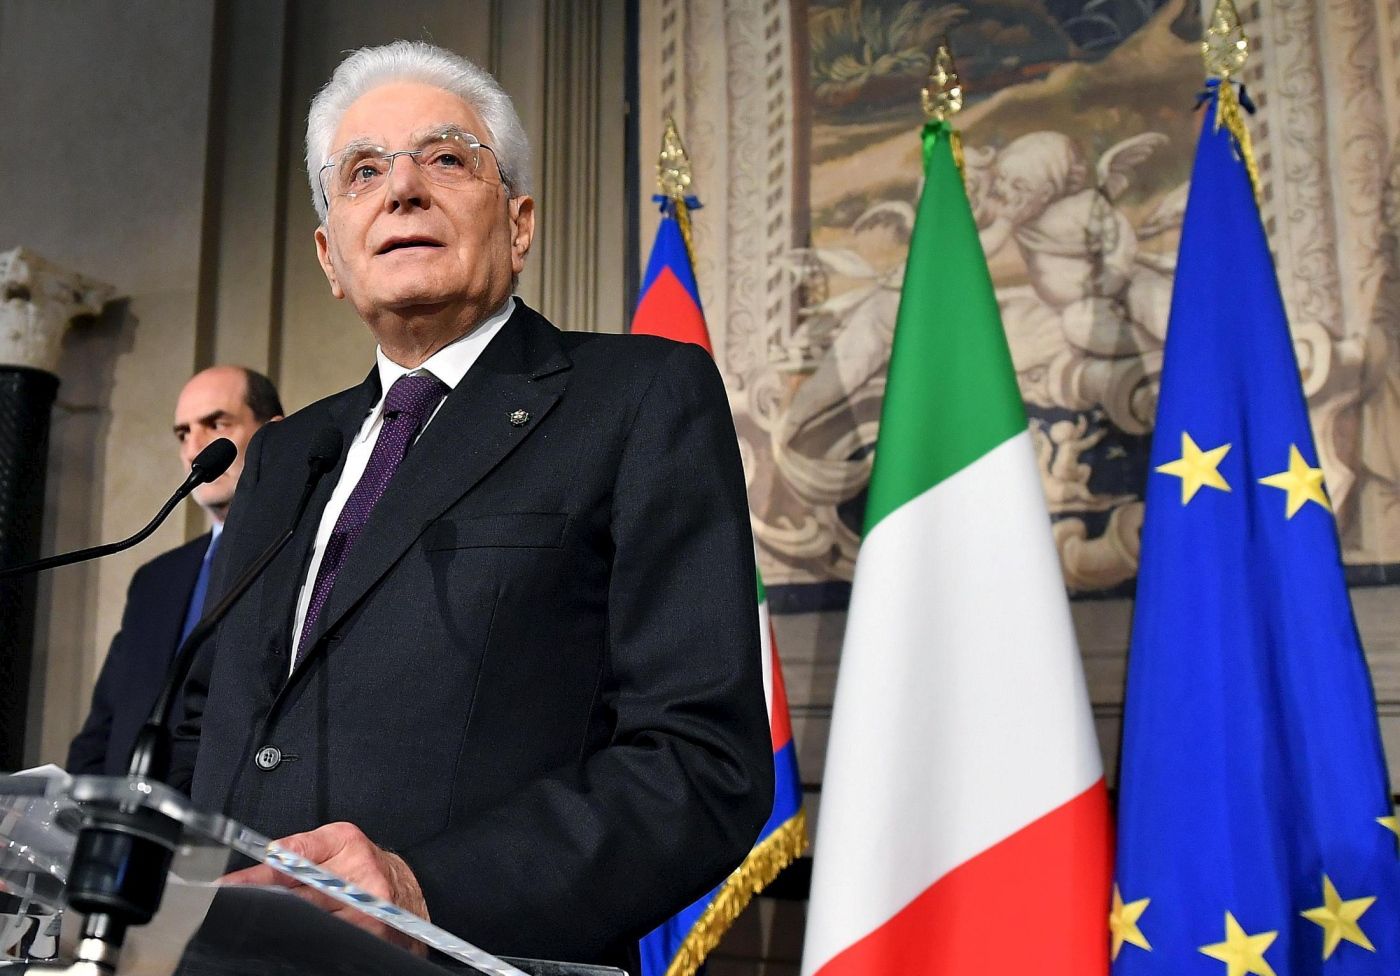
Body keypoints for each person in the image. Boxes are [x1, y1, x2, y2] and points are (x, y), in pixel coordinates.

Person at [171, 40, 773, 970]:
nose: (402, 190)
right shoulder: (285, 454)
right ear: (332, 256)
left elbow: (701, 763)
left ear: (519, 223)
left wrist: (424, 892)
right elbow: (204, 723)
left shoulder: (638, 396)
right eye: (362, 172)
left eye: (447, 158)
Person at [66, 366, 283, 775]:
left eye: (216, 424)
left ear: (275, 433)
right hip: (128, 808)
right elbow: (103, 729)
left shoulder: (303, 552)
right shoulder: (156, 580)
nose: (194, 449)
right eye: (183, 433)